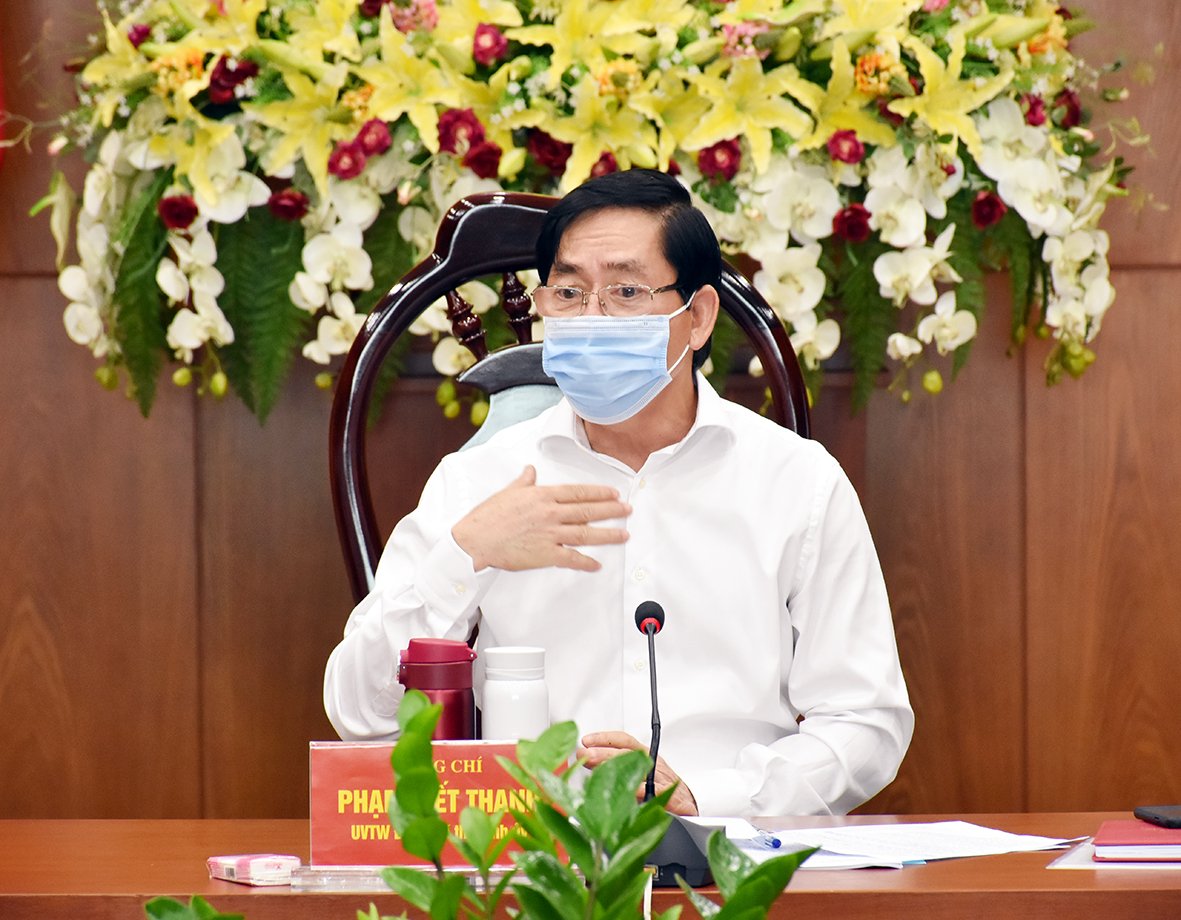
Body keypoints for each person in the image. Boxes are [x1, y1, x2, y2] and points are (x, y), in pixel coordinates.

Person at [324, 169, 913, 818]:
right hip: (532, 855)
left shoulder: (795, 482)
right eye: (569, 292)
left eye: (626, 291)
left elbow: (865, 723)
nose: (591, 318)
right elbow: (360, 714)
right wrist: (464, 557)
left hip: (732, 849)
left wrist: (709, 797)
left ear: (697, 317)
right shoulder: (479, 481)